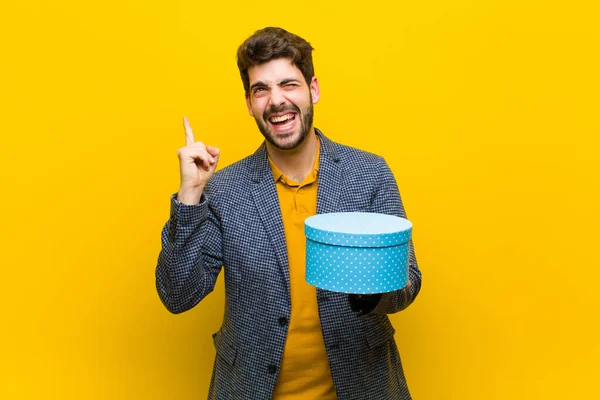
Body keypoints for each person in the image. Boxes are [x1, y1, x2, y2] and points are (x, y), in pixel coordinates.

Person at [156, 27, 422, 400]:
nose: (276, 100)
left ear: (313, 89)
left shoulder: (370, 174)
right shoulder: (224, 189)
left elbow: (408, 281)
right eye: (261, 89)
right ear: (249, 103)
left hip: (362, 386)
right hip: (250, 389)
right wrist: (190, 194)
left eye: (288, 84)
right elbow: (177, 294)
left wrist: (370, 292)